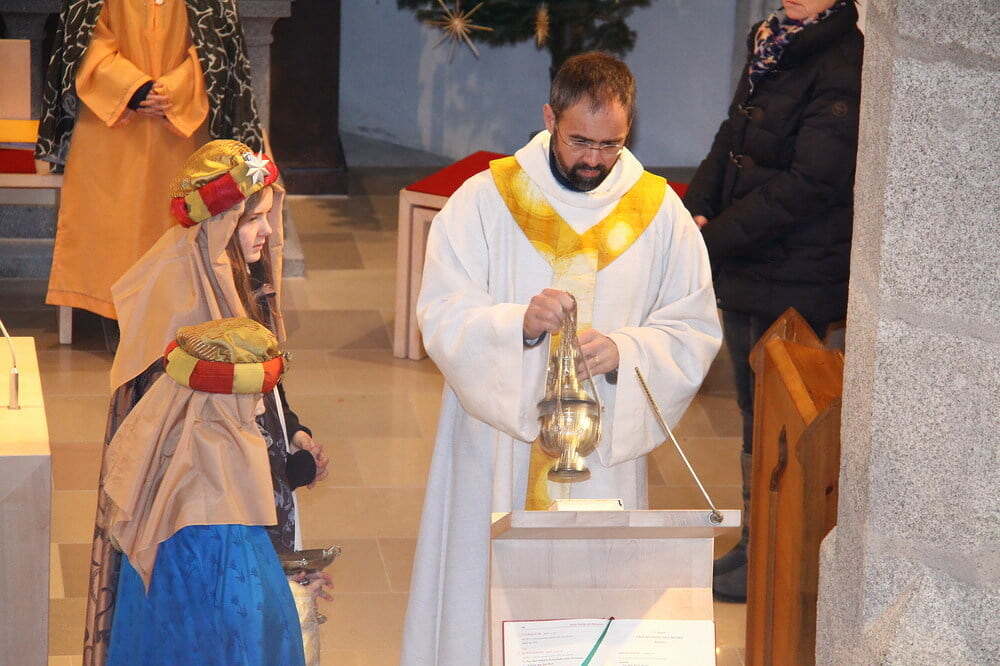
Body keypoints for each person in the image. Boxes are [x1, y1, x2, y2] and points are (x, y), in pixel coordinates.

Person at [401, 52, 722, 665]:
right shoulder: (486, 200)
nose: (594, 159)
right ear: (549, 118)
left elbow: (693, 327)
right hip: (497, 447)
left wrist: (627, 351)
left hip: (602, 455)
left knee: (592, 601)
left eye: (611, 144)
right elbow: (441, 310)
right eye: (580, 141)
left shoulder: (659, 211)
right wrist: (517, 327)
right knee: (482, 595)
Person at [82, 140, 329, 665]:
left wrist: (293, 429)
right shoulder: (182, 298)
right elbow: (200, 428)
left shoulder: (230, 275)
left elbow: (262, 384)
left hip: (230, 492)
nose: (267, 231)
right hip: (198, 512)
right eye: (252, 219)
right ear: (219, 222)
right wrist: (285, 467)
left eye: (267, 216)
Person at [682, 0, 863, 602]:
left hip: (797, 272)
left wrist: (716, 238)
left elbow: (813, 182)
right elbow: (733, 135)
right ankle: (754, 545)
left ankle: (775, 554)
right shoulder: (774, 39)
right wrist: (695, 210)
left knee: (779, 422)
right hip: (752, 263)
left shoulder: (843, 57)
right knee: (754, 416)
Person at [35, 0, 262, 326]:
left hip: (186, 127)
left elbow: (215, 46)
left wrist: (172, 91)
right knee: (111, 217)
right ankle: (112, 309)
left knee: (178, 216)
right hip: (108, 124)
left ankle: (182, 309)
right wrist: (134, 89)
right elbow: (86, 41)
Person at [101, 316, 306, 665]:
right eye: (252, 397)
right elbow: (241, 618)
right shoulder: (213, 496)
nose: (260, 408)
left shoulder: (173, 453)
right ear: (219, 404)